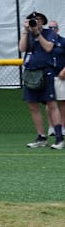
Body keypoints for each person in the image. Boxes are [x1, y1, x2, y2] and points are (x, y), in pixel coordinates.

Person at [18, 11, 63, 149]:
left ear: (43, 21)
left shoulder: (49, 33)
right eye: (32, 19)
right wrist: (26, 32)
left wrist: (37, 33)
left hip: (45, 72)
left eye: (38, 19)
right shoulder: (29, 34)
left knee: (51, 104)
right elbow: (21, 48)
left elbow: (49, 48)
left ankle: (59, 138)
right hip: (31, 72)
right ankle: (41, 137)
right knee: (33, 105)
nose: (35, 22)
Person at [50, 20, 65, 149]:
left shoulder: (63, 41)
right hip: (49, 76)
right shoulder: (46, 41)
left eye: (54, 27)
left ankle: (63, 127)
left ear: (58, 29)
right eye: (49, 27)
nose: (52, 29)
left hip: (60, 76)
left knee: (61, 102)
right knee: (49, 103)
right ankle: (52, 127)